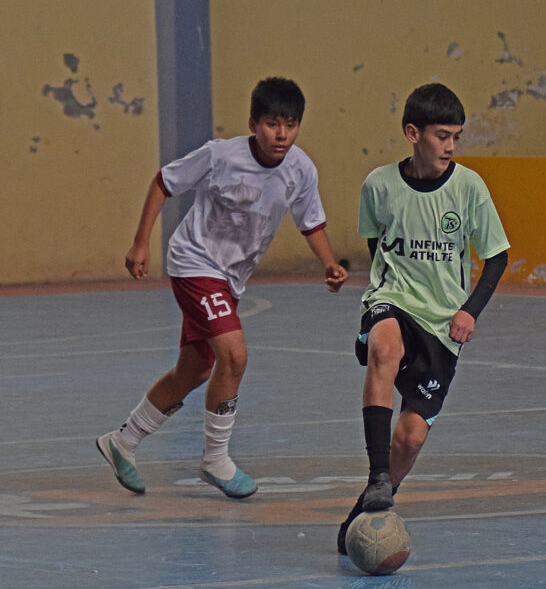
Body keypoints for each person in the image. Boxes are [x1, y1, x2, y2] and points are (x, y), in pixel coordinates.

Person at [96, 77, 348, 498]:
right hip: (194, 263)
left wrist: (329, 262)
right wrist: (141, 242)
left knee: (194, 369)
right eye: (271, 123)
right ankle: (215, 459)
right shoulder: (220, 156)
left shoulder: (301, 169)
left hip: (231, 279)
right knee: (233, 355)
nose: (281, 133)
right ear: (253, 123)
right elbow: (163, 182)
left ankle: (121, 442)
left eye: (290, 124)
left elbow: (311, 220)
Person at [337, 83, 510, 554]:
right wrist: (385, 293)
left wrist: (468, 310)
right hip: (392, 298)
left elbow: (496, 257)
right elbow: (377, 248)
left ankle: (367, 509)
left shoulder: (469, 187)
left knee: (410, 437)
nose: (451, 146)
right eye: (441, 136)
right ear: (413, 133)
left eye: (456, 136)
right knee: (384, 347)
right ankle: (377, 475)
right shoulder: (379, 185)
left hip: (442, 323)